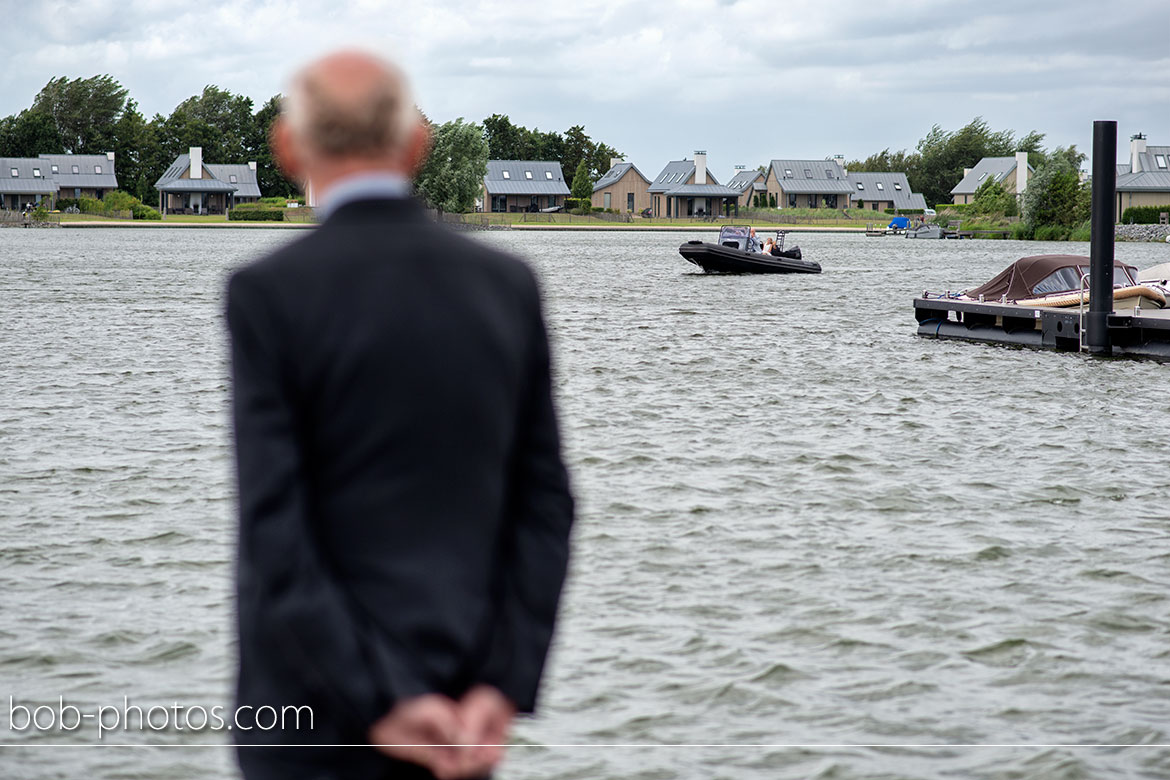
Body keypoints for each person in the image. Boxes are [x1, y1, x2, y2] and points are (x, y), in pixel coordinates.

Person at [226, 50, 575, 780]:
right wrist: (501, 684)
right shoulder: (507, 285)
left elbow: (275, 525)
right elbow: (545, 504)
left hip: (311, 717)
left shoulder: (268, 293)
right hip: (463, 707)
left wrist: (381, 700)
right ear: (418, 143)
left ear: (288, 148)